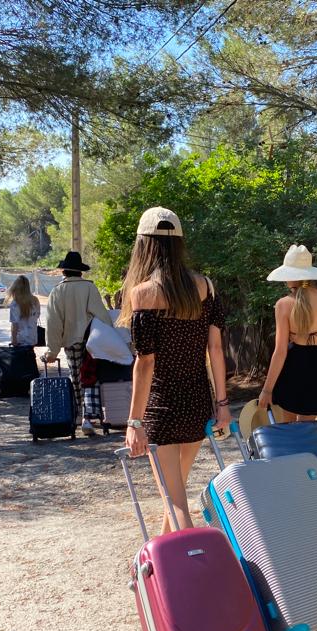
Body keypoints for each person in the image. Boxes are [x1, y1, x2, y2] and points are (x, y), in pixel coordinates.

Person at [121, 206, 231, 533]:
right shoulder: (205, 287)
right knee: (175, 491)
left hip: (162, 408)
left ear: (144, 245)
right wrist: (222, 405)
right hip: (197, 403)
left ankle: (195, 575)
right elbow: (216, 349)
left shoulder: (143, 294)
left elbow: (146, 362)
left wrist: (134, 421)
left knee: (176, 502)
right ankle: (157, 561)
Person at [258, 244, 317, 422]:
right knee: (308, 427)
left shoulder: (283, 304)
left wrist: (267, 389)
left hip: (293, 366)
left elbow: (280, 351)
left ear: (291, 277)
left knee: (290, 427)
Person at [44, 251, 110, 435]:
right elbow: (102, 316)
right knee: (91, 376)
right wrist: (111, 336)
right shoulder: (89, 287)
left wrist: (52, 350)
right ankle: (90, 417)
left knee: (76, 378)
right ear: (80, 271)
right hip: (92, 340)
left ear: (64, 271)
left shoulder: (57, 291)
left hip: (70, 342)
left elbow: (53, 323)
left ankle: (80, 415)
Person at [7, 275, 41, 347]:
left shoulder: (15, 303)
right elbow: (37, 316)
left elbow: (14, 324)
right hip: (32, 337)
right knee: (29, 356)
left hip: (20, 339)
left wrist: (13, 340)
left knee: (21, 357)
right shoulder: (35, 300)